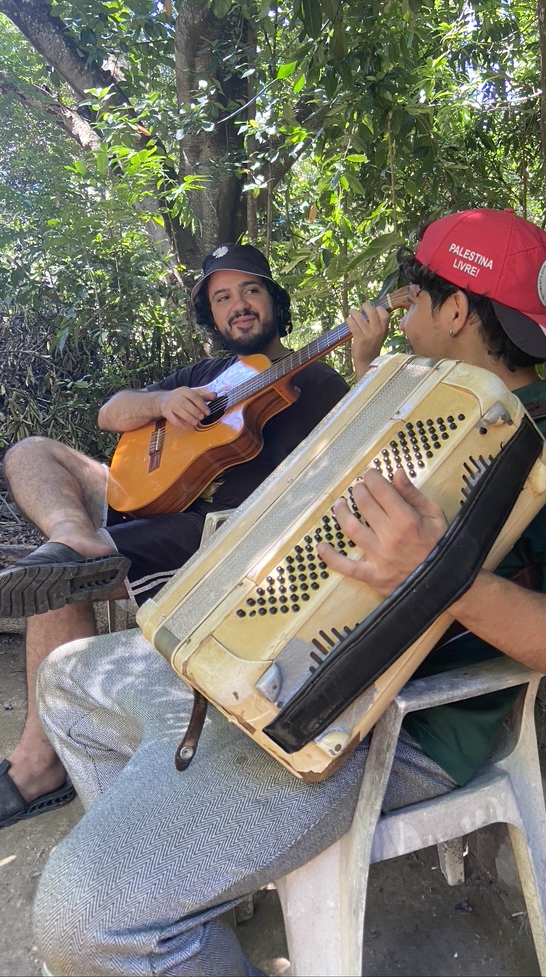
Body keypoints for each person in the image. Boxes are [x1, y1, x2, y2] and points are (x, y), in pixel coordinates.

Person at [32, 208, 546, 976]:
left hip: (368, 727)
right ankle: (190, 886)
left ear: (454, 308)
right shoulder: (400, 396)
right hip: (256, 664)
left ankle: (152, 914)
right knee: (66, 680)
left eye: (412, 294)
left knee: (81, 922)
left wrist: (442, 573)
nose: (400, 307)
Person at [0, 242, 387, 831]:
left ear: (275, 303)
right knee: (31, 453)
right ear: (212, 316)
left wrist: (365, 364)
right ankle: (74, 534)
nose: (239, 306)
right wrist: (160, 402)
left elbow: (367, 450)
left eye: (251, 291)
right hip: (150, 501)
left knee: (60, 579)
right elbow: (113, 412)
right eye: (222, 297)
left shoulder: (316, 378)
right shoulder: (204, 377)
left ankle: (36, 764)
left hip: (220, 530)